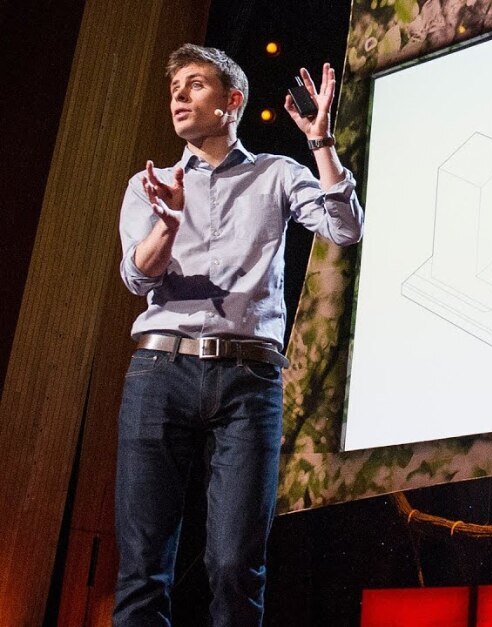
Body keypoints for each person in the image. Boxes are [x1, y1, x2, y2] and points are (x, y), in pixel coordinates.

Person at [113, 44, 363, 626]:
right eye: (174, 87)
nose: (178, 96)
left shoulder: (276, 173)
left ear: (232, 100)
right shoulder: (151, 184)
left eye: (194, 84)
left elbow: (345, 228)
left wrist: (321, 143)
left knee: (234, 566)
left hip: (248, 380)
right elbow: (136, 277)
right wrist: (167, 226)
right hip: (160, 372)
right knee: (142, 567)